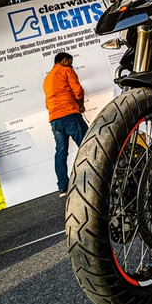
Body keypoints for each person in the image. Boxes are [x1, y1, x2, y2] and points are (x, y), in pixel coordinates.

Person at [43, 52, 88, 196]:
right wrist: (80, 105)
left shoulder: (47, 78)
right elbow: (78, 91)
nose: (72, 64)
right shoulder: (66, 70)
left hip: (55, 119)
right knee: (88, 145)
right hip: (69, 114)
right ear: (64, 60)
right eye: (70, 61)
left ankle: (63, 187)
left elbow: (47, 102)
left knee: (61, 153)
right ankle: (96, 179)